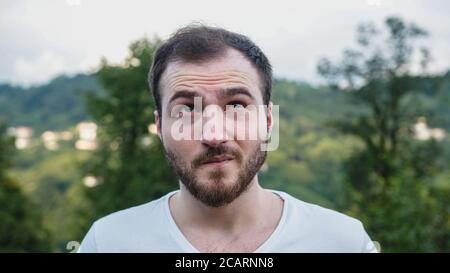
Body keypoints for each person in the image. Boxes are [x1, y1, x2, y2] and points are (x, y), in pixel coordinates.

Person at [78, 24, 377, 253]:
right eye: (187, 110)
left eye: (236, 106)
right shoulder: (107, 243)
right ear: (159, 127)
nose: (215, 135)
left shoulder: (343, 242)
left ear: (269, 120)